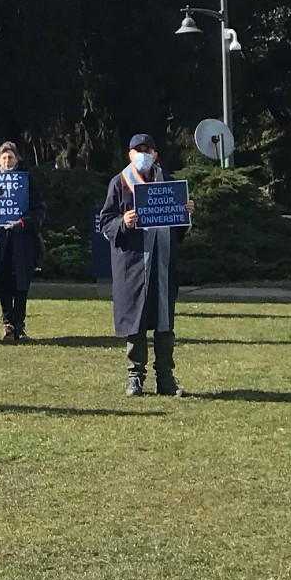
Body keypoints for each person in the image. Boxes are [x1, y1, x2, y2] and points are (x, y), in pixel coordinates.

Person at [101, 133, 193, 396]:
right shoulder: (119, 183)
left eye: (148, 150)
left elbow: (178, 230)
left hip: (162, 265)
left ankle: (166, 378)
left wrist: (185, 214)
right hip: (132, 265)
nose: (143, 154)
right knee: (136, 321)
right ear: (129, 154)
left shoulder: (170, 184)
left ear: (156, 154)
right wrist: (123, 223)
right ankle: (135, 377)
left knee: (164, 321)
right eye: (137, 150)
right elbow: (105, 223)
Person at [0, 142, 46, 342]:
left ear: (17, 160)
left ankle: (20, 324)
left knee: (21, 282)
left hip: (22, 239)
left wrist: (23, 223)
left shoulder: (28, 182)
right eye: (4, 158)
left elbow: (40, 209)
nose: (7, 161)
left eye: (11, 157)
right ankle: (7, 323)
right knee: (4, 279)